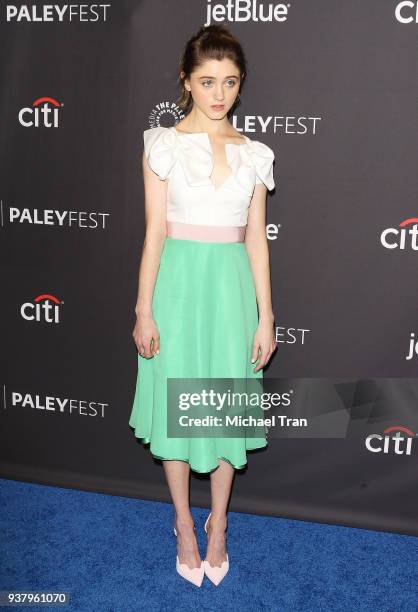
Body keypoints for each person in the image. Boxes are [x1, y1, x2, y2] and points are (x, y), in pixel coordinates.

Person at [129, 24, 276, 587]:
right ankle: (183, 526)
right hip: (179, 292)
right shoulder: (162, 144)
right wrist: (144, 309)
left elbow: (257, 240)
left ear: (241, 86)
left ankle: (218, 527)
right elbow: (153, 236)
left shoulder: (255, 154)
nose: (220, 93)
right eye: (208, 80)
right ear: (186, 82)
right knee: (176, 408)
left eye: (231, 82)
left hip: (231, 295)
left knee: (222, 409)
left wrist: (266, 314)